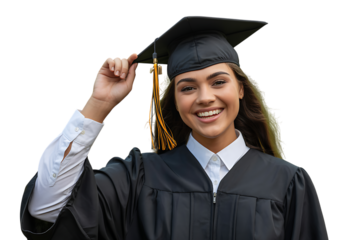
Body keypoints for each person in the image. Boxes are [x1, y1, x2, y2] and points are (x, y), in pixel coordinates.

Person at [20, 14, 329, 239]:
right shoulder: (139, 177)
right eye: (188, 87)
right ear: (175, 100)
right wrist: (98, 104)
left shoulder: (288, 182)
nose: (205, 98)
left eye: (218, 82)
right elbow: (46, 210)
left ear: (240, 89)